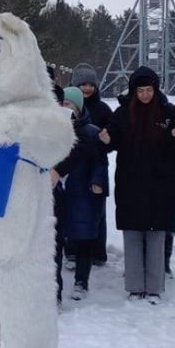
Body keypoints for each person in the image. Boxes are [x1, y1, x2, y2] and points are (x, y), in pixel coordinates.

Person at [98, 66, 175, 303]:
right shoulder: (122, 113)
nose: (145, 95)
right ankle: (134, 286)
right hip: (130, 182)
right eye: (140, 90)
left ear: (156, 89)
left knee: (156, 236)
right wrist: (107, 138)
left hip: (161, 184)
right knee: (132, 235)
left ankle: (153, 288)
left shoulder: (169, 112)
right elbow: (111, 140)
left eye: (148, 90)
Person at [53, 87, 107, 303]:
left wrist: (97, 181)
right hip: (59, 192)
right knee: (57, 238)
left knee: (84, 236)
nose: (65, 108)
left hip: (82, 191)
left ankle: (81, 281)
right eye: (62, 104)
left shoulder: (90, 132)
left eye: (69, 105)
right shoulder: (52, 132)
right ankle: (55, 286)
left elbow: (99, 161)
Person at [72, 62, 113, 266]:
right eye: (83, 84)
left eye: (91, 84)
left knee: (97, 211)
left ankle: (98, 252)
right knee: (72, 209)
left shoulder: (103, 109)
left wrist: (108, 141)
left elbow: (113, 137)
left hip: (96, 165)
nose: (87, 88)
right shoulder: (68, 107)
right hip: (73, 165)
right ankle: (72, 251)